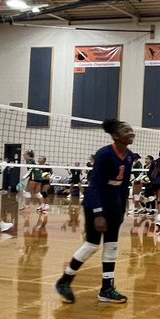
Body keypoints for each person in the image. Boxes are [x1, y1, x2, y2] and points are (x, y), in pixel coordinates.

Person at [54, 119, 138, 304]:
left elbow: (124, 185)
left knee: (112, 246)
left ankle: (107, 289)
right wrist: (98, 213)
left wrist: (123, 208)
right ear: (116, 136)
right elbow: (95, 186)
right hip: (96, 204)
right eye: (126, 130)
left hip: (115, 206)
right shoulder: (105, 154)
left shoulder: (130, 156)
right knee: (92, 245)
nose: (131, 132)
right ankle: (64, 281)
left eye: (131, 129)